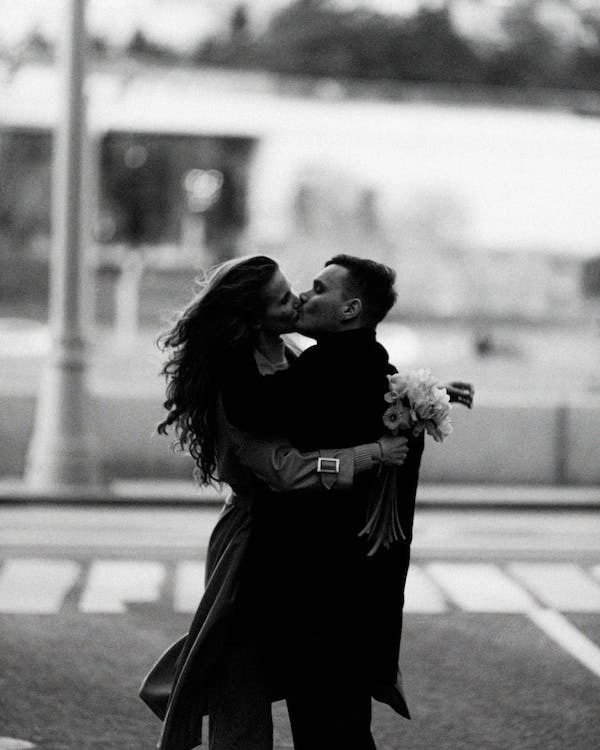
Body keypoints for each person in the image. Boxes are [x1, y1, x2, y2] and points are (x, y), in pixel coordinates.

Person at [139, 255, 412, 750]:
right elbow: (284, 470)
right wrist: (372, 453)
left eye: (301, 289)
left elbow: (344, 384)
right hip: (250, 542)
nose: (299, 300)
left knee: (317, 690)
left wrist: (418, 395)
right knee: (239, 689)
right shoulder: (236, 378)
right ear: (254, 313)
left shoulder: (289, 356)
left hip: (290, 546)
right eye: (285, 297)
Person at [221, 254, 473, 750]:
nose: (305, 297)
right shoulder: (379, 368)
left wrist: (231, 330)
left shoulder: (326, 367)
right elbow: (368, 399)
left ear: (349, 309)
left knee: (327, 731)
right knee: (344, 728)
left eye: (319, 288)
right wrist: (434, 390)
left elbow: (250, 406)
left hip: (319, 597)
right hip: (363, 597)